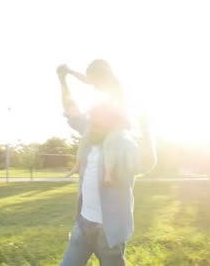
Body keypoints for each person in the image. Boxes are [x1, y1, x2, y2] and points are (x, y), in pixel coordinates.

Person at [57, 60, 157, 266]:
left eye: (96, 115)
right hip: (83, 226)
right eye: (91, 115)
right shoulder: (90, 134)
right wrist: (63, 81)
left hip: (108, 234)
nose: (90, 118)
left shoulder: (121, 143)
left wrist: (146, 130)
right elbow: (72, 111)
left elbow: (147, 163)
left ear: (111, 120)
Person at [59, 60, 130, 183]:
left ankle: (109, 174)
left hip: (118, 125)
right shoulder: (91, 125)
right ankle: (77, 165)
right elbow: (86, 81)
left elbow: (88, 80)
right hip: (105, 123)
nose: (94, 85)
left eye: (95, 81)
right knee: (86, 137)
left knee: (109, 142)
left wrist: (70, 72)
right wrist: (66, 75)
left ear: (102, 76)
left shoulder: (116, 86)